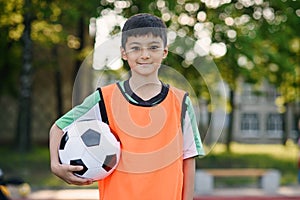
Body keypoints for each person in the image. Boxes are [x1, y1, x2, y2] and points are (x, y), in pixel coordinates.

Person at [49, 13, 205, 200]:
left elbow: (188, 158)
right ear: (124, 52)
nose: (145, 55)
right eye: (136, 48)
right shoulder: (104, 99)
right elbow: (59, 127)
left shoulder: (181, 102)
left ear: (164, 51)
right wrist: (55, 165)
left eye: (153, 47)